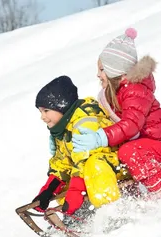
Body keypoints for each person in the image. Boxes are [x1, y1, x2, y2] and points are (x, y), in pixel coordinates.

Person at [72, 28, 161, 197]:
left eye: (102, 70)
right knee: (114, 155)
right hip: (141, 144)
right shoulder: (115, 92)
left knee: (128, 152)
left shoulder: (135, 90)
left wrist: (100, 137)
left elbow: (132, 125)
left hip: (158, 144)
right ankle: (132, 199)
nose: (98, 75)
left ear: (115, 70)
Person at [32, 75, 131, 216]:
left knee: (93, 165)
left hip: (117, 165)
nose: (42, 117)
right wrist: (48, 191)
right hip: (94, 169)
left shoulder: (84, 122)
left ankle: (110, 211)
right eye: (40, 112)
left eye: (46, 111)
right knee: (67, 181)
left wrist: (76, 192)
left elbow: (84, 161)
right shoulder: (62, 129)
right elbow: (62, 163)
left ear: (62, 106)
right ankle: (78, 214)